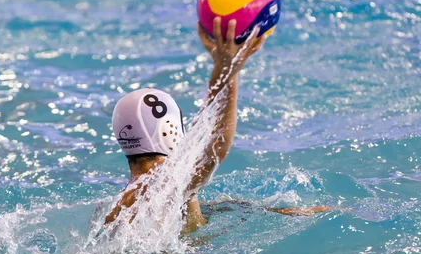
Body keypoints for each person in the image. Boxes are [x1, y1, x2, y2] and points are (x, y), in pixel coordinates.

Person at [105, 17, 329, 234]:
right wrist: (226, 69)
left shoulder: (123, 203)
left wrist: (296, 212)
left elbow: (234, 211)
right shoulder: (168, 183)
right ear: (171, 130)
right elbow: (215, 147)